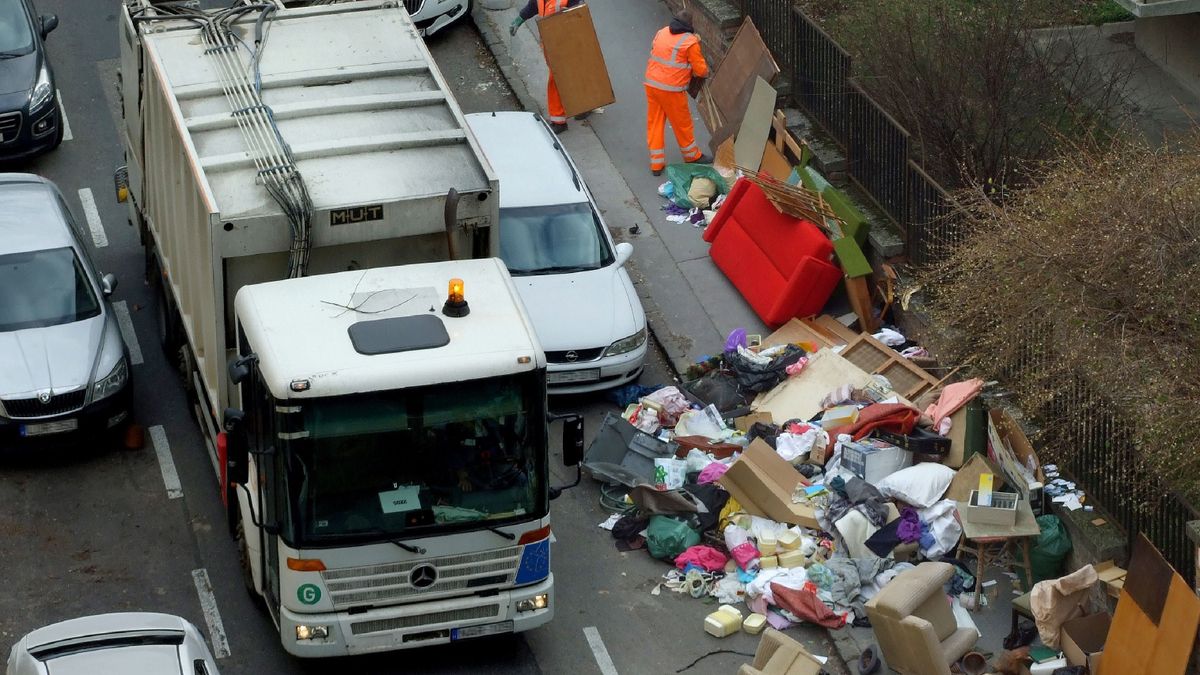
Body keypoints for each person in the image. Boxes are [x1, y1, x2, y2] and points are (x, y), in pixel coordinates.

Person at [643, 10, 712, 176]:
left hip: (652, 84)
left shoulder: (662, 32)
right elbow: (701, 70)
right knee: (682, 124)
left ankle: (656, 164)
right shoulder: (690, 42)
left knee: (655, 122)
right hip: (671, 89)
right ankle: (692, 156)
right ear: (690, 26)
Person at [510, 0, 583, 134]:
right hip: (550, 42)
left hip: (566, 42)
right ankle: (585, 105)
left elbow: (579, 13)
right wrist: (519, 19)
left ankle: (559, 121)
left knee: (556, 80)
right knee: (571, 75)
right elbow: (534, 6)